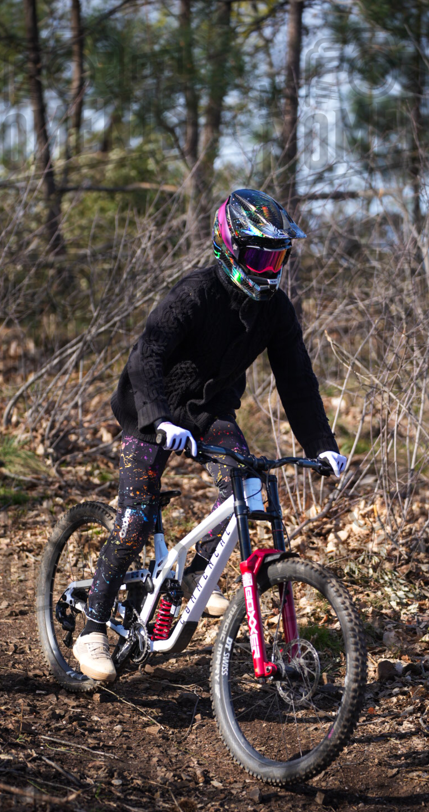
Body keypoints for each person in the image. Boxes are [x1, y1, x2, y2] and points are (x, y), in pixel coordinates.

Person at [73, 188, 347, 682]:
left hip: (209, 413)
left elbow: (297, 381)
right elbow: (147, 356)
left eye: (277, 257)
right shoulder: (195, 292)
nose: (269, 268)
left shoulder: (276, 310)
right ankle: (92, 629)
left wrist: (322, 446)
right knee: (135, 520)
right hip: (150, 408)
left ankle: (198, 575)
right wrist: (160, 419)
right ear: (230, 247)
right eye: (259, 256)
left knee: (246, 486)